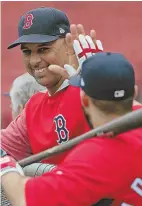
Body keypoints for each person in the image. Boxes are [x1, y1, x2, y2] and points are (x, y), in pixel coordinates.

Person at [1, 52, 142, 206]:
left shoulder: (96, 155)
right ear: (134, 93)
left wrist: (5, 165)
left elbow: (24, 199)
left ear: (85, 100)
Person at [1, 7, 104, 164]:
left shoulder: (90, 91)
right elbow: (4, 148)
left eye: (43, 49)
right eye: (27, 52)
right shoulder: (33, 108)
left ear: (68, 43)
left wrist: (102, 89)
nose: (34, 61)